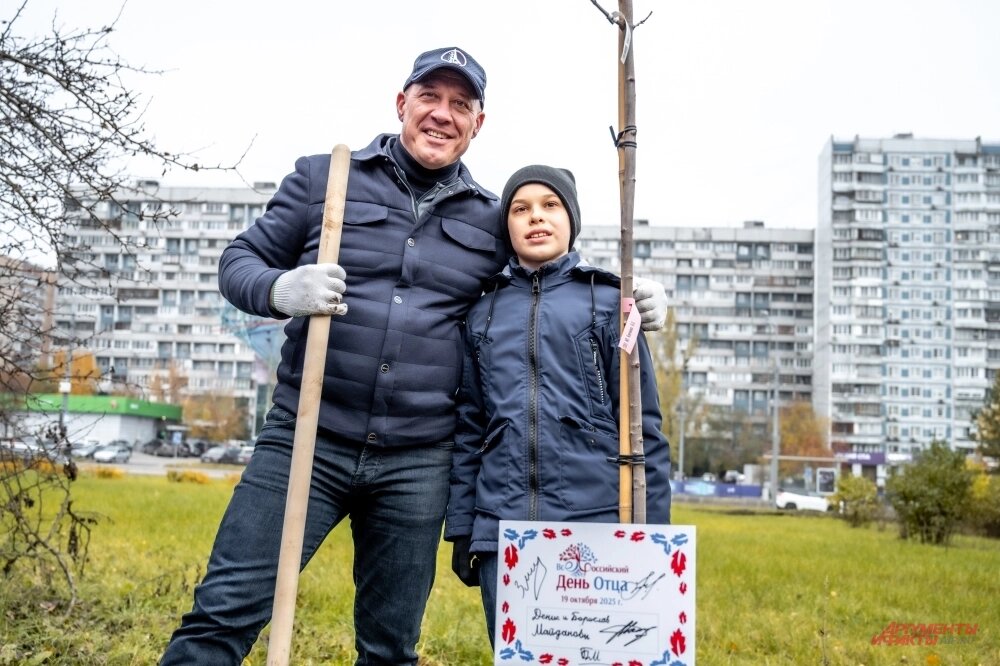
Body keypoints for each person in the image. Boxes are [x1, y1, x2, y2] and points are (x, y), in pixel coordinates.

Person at [160, 48, 668, 665]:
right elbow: (239, 261)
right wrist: (277, 290)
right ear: (402, 103)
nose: (442, 114)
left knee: (390, 646)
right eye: (429, 97)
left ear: (478, 124)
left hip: (418, 462)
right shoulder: (327, 178)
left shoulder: (490, 219)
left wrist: (630, 298)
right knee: (224, 610)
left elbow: (542, 290)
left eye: (461, 104)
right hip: (307, 438)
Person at [444, 165, 672, 646]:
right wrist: (466, 527)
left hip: (595, 527)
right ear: (506, 225)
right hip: (503, 531)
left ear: (572, 219)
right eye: (520, 208)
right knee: (518, 651)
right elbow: (469, 428)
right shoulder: (481, 313)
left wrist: (655, 534)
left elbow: (644, 426)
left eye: (550, 206)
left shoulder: (611, 303)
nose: (536, 218)